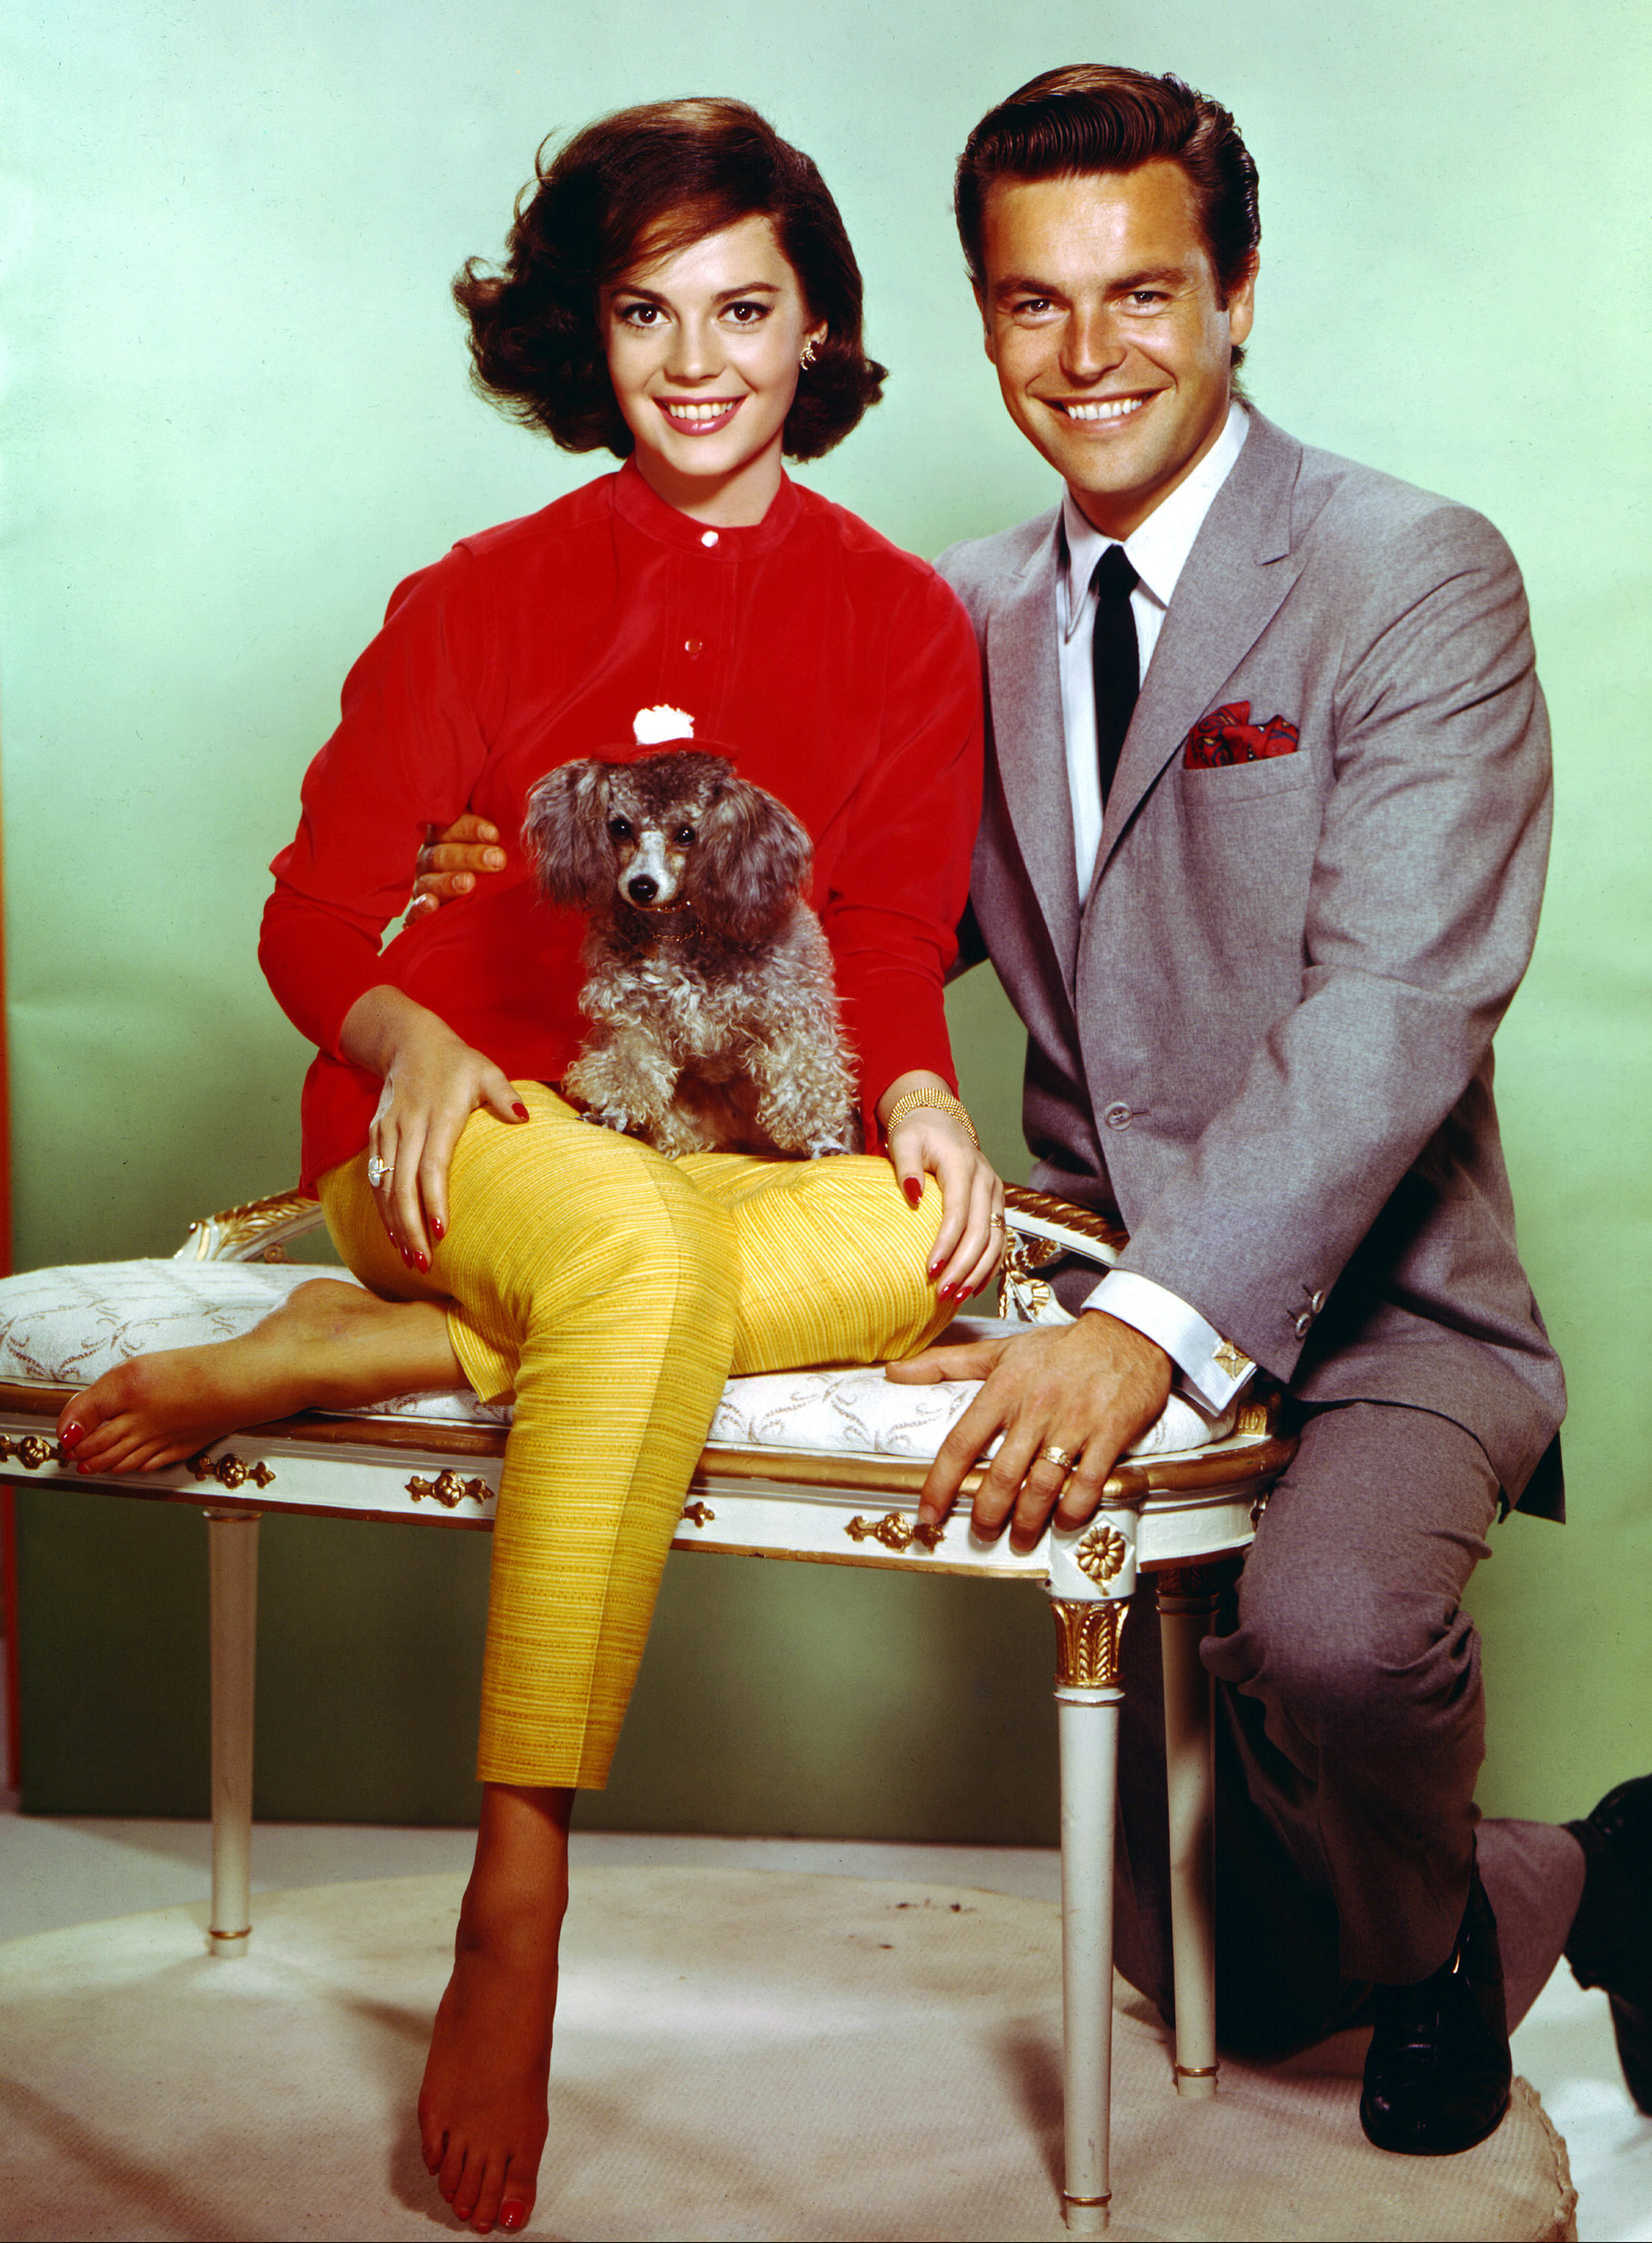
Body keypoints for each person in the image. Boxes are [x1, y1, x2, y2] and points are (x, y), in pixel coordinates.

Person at [57, 99, 1001, 2236]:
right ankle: (519, 1884)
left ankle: (358, 1342)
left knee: (930, 1247)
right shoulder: (476, 598)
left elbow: (878, 944)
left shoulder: (904, 623)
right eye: (647, 311)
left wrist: (928, 1106)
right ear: (592, 335)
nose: (698, 362)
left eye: (745, 310)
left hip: (729, 1149)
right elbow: (315, 916)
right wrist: (399, 1028)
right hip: (458, 1118)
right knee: (635, 1264)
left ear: (818, 328)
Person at [872, 64, 1652, 2157]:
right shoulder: (955, 613)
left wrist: (1141, 1328)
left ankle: (1446, 1967)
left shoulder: (1412, 570)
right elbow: (867, 934)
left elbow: (1398, 1007)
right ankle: (1589, 1876)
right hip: (1084, 1285)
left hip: (1388, 1307)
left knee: (1330, 1639)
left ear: (1238, 290)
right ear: (983, 324)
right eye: (1034, 305)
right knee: (1210, 1966)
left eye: (1142, 293)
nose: (1090, 356)